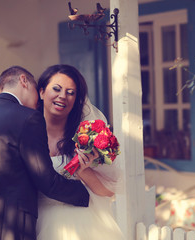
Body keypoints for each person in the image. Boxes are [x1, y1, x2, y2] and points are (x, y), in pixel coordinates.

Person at [0, 66, 91, 240]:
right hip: (7, 229)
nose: (37, 102)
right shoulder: (29, 117)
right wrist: (84, 194)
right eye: (37, 93)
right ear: (23, 81)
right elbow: (47, 181)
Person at [36, 64, 124, 240]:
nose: (63, 96)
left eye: (71, 92)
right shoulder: (28, 132)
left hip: (81, 224)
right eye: (57, 89)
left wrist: (83, 170)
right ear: (42, 92)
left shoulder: (86, 136)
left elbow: (108, 191)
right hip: (35, 220)